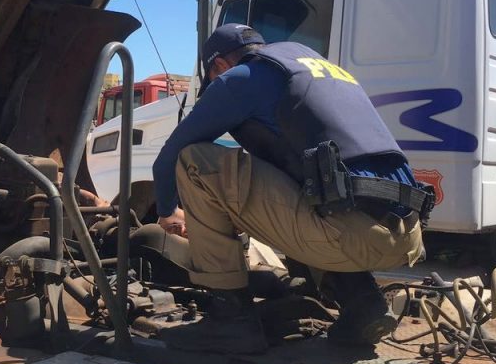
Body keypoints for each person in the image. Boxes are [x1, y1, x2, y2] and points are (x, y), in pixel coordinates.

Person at [153, 24, 431, 347]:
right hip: (407, 232)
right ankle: (363, 302)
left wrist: (167, 211)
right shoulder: (311, 65)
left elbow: (170, 158)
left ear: (218, 66)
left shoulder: (239, 78)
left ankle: (230, 318)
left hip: (348, 236)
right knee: (312, 184)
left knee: (194, 161)